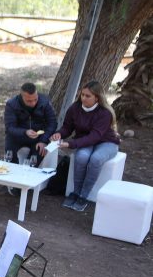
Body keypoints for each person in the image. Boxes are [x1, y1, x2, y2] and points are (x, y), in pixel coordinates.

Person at [50, 80, 120, 212]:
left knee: (96, 159)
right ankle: (76, 193)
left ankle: (84, 196)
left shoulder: (105, 113)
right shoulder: (74, 108)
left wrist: (70, 143)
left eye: (88, 96)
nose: (83, 98)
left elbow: (95, 136)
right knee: (81, 157)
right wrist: (59, 134)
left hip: (107, 142)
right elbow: (67, 128)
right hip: (85, 141)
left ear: (97, 97)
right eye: (82, 95)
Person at [4, 82, 57, 164]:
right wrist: (25, 132)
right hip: (17, 137)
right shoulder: (11, 104)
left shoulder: (45, 102)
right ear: (21, 97)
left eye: (35, 99)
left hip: (38, 138)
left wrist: (44, 140)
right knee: (10, 158)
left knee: (34, 160)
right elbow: (10, 127)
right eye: (29, 101)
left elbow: (52, 123)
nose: (33, 103)